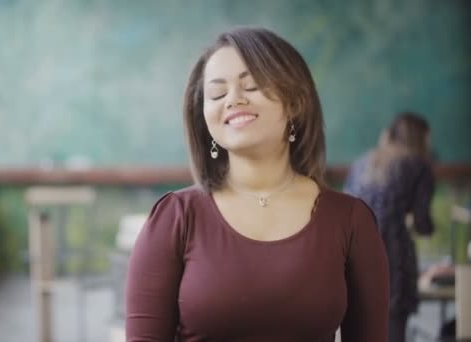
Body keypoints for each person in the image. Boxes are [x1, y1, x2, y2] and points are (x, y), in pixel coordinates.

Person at [126, 27, 389, 341]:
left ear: (295, 102)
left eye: (250, 86)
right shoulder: (175, 218)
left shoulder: (350, 220)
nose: (234, 100)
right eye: (218, 94)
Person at [344, 113, 435, 342]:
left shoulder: (363, 162)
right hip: (394, 259)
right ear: (420, 138)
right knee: (393, 329)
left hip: (352, 255)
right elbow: (423, 223)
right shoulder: (418, 164)